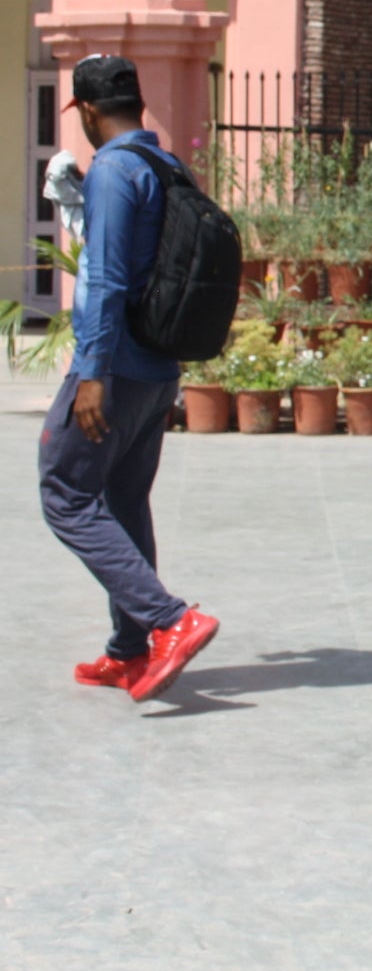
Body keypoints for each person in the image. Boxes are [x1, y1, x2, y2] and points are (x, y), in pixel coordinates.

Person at [41, 55, 218, 703]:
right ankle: (130, 647)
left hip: (113, 369)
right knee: (122, 499)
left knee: (63, 491)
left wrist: (90, 372)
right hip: (156, 368)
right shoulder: (166, 164)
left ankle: (170, 619)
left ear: (88, 111)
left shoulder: (115, 167)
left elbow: (108, 276)